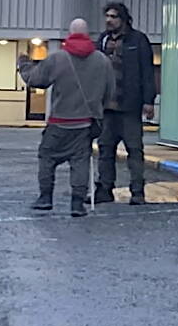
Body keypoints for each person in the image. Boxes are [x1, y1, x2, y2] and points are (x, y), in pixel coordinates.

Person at [18, 18, 115, 218]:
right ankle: (77, 203)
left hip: (59, 122)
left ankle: (45, 198)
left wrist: (24, 65)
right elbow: (109, 92)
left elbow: (36, 80)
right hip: (85, 123)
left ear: (70, 34)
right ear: (88, 35)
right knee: (80, 162)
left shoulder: (58, 58)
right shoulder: (102, 60)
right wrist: (97, 111)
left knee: (47, 157)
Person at [94, 2, 157, 206]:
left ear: (123, 19)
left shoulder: (137, 40)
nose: (109, 20)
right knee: (105, 150)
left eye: (113, 16)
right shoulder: (102, 40)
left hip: (129, 107)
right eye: (107, 16)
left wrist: (149, 101)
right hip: (107, 109)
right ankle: (104, 189)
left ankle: (137, 192)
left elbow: (147, 72)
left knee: (134, 151)